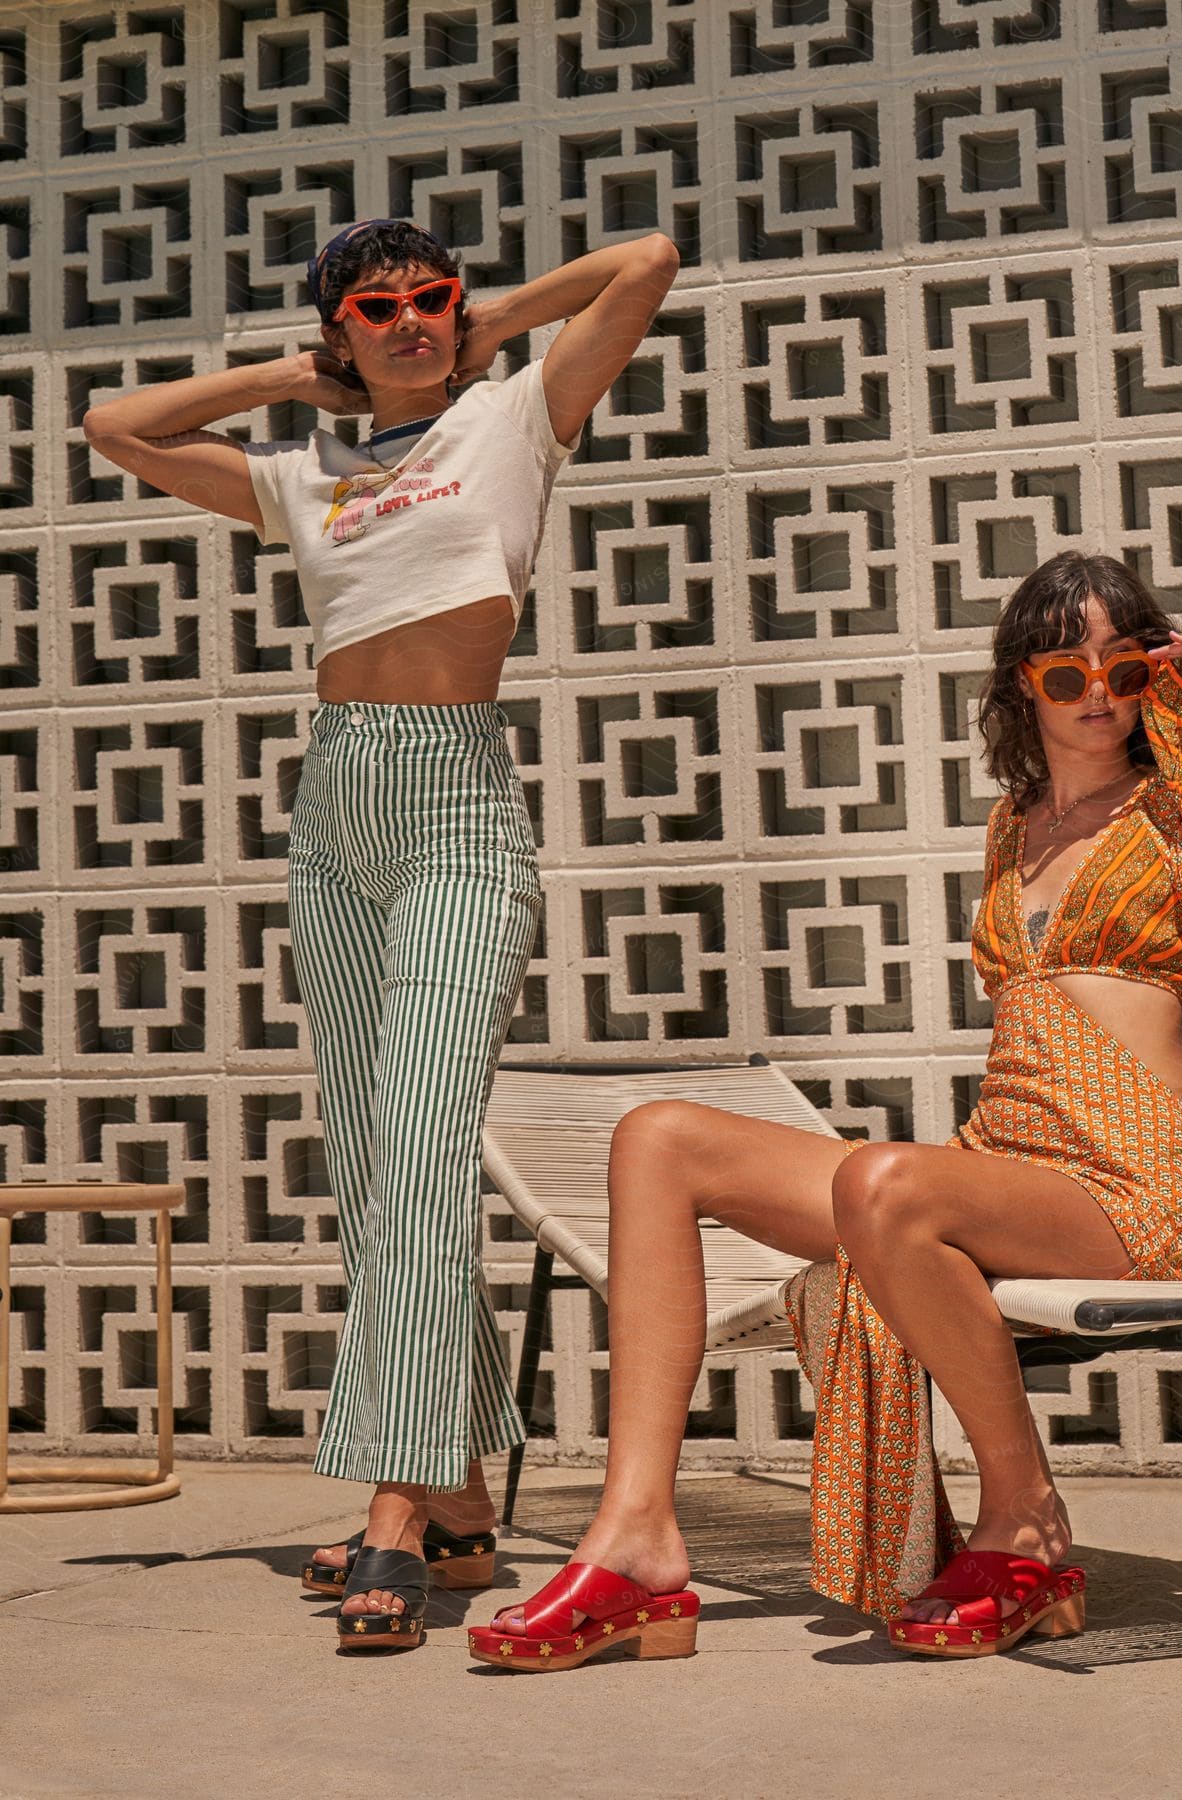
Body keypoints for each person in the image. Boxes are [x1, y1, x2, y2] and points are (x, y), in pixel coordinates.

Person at [467, 550, 1182, 1671]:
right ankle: (637, 1535)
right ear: (1020, 690)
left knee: (880, 1182)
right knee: (659, 1138)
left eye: (1125, 669)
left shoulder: (1180, 814)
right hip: (1008, 1159)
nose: (1098, 694)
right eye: (1065, 675)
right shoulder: (1014, 826)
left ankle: (1024, 1520)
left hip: (1132, 1181)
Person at [82, 218, 680, 1650]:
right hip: (335, 804)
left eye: (433, 298)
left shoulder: (514, 416)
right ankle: (467, 1500)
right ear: (340, 328)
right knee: (373, 1164)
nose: (413, 318)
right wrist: (297, 377)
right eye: (381, 306)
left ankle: (396, 1511)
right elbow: (115, 424)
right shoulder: (301, 476)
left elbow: (644, 260)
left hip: (458, 807)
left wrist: (489, 332)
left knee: (419, 1140)